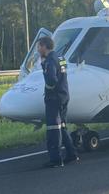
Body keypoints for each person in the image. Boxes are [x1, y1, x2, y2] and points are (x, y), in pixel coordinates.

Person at [39, 36, 78, 168]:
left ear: (44, 46)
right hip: (64, 95)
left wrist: (48, 91)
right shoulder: (61, 58)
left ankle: (55, 160)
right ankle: (72, 154)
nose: (38, 49)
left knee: (53, 128)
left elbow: (51, 80)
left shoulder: (50, 61)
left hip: (54, 98)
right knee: (62, 126)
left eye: (39, 46)